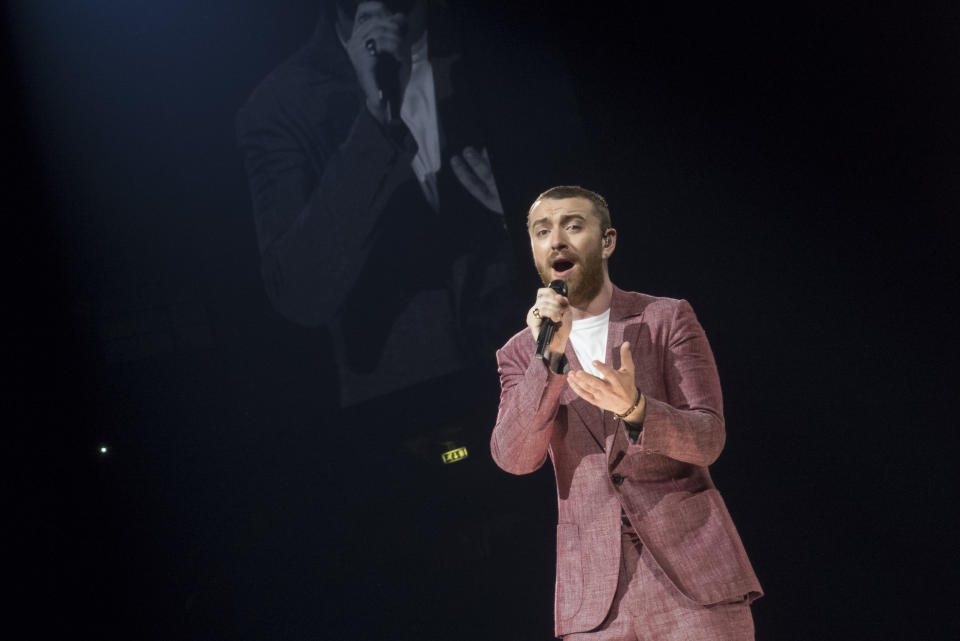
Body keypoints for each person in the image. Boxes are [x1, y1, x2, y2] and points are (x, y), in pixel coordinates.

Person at [236, 0, 579, 410]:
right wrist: (376, 121)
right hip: (408, 413)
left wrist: (526, 220)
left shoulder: (505, 49)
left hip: (549, 384)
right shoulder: (280, 105)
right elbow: (300, 294)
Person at [491, 186, 763, 640]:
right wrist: (548, 361)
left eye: (573, 226)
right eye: (542, 232)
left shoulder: (666, 318)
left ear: (607, 241)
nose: (556, 240)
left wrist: (636, 409)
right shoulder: (520, 354)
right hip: (594, 602)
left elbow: (708, 439)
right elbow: (514, 457)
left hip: (692, 578)